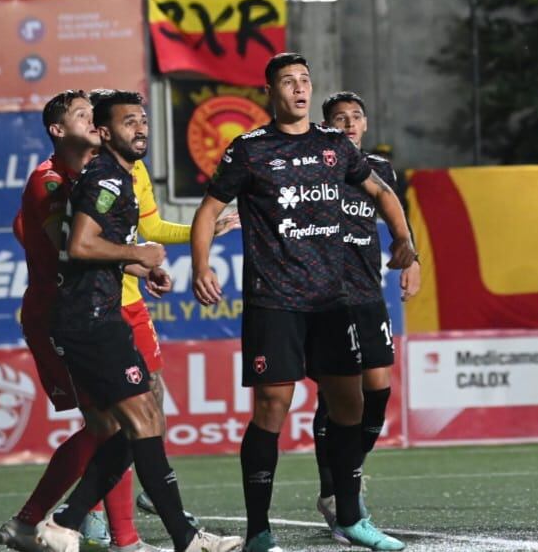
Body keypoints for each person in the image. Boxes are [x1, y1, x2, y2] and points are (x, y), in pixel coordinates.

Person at [189, 53, 416, 552]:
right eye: (288, 81)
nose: (299, 88)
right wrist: (201, 265)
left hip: (333, 301)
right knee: (273, 406)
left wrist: (404, 240)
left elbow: (381, 192)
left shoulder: (334, 145)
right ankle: (259, 531)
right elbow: (208, 211)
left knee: (349, 401)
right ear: (269, 91)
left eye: (305, 81)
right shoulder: (249, 150)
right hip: (276, 300)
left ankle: (351, 516)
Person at [35, 90, 241, 552]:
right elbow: (81, 246)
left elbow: (97, 244)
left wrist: (141, 265)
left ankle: (67, 521)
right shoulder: (105, 179)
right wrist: (137, 253)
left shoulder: (118, 177)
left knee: (141, 421)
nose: (141, 129)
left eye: (143, 121)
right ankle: (173, 536)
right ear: (105, 133)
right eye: (129, 122)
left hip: (100, 314)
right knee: (140, 421)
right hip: (89, 320)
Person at [0, 90, 120, 552]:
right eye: (82, 115)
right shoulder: (49, 180)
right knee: (110, 421)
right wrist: (136, 258)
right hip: (58, 315)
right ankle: (37, 522)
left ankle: (99, 525)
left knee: (117, 418)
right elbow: (73, 249)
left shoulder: (94, 173)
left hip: (87, 310)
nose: (94, 120)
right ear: (57, 130)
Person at [313, 91, 422, 543]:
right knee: (337, 394)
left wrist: (411, 258)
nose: (350, 124)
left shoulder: (380, 169)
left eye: (356, 117)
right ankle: (339, 496)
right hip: (323, 296)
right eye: (340, 119)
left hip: (367, 291)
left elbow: (395, 215)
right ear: (328, 127)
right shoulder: (315, 164)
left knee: (377, 391)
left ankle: (345, 480)